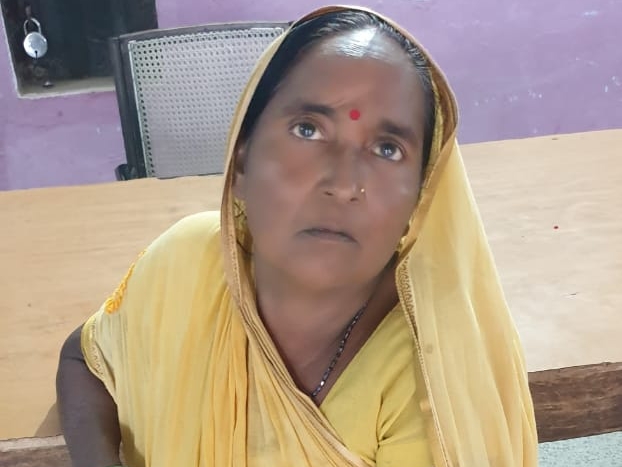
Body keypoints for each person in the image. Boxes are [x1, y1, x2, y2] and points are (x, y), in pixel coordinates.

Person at [56, 5, 538, 467]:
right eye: (308, 130)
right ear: (240, 162)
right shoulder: (187, 264)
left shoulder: (435, 388)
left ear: (420, 199)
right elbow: (85, 356)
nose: (344, 184)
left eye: (387, 149)